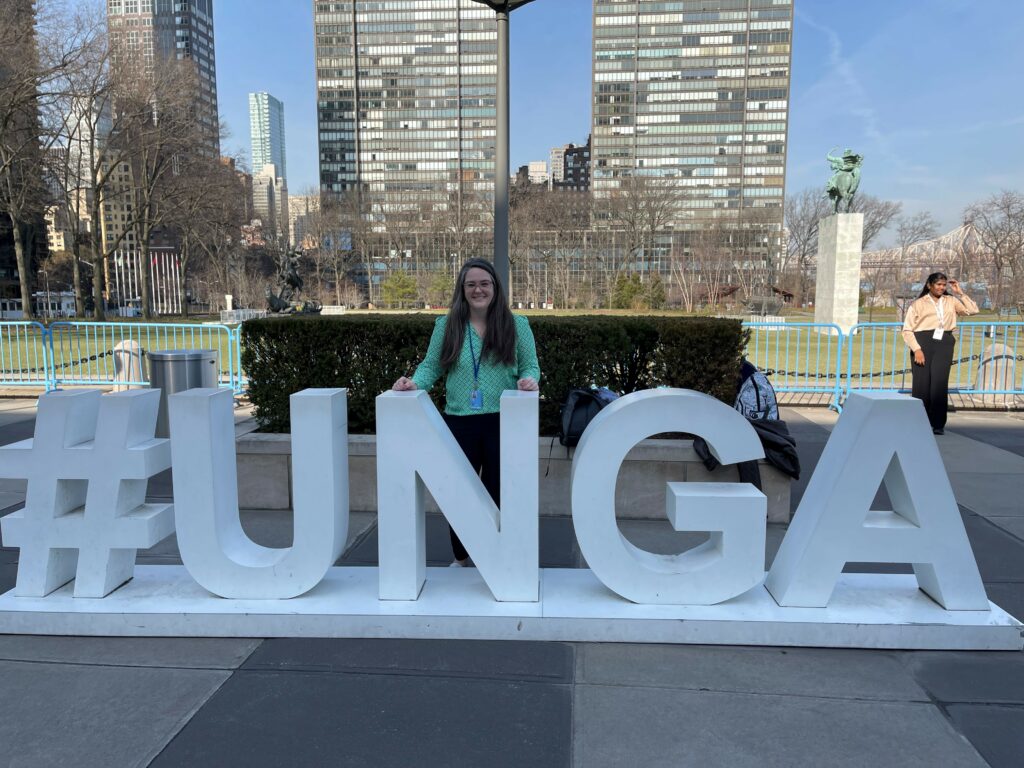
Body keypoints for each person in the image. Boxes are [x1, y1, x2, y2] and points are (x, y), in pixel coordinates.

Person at [393, 258, 540, 566]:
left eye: (484, 283)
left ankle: (498, 555)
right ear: (462, 290)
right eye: (471, 284)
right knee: (460, 496)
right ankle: (461, 558)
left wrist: (530, 380)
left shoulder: (517, 325)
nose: (478, 290)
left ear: (495, 288)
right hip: (459, 421)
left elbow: (530, 365)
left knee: (500, 491)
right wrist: (413, 382)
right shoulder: (447, 326)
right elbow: (432, 365)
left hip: (503, 420)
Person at [901, 272, 979, 435]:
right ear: (929, 285)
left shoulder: (951, 301)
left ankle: (937, 423)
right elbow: (907, 330)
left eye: (944, 285)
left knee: (939, 383)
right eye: (938, 284)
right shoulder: (918, 304)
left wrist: (960, 292)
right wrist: (917, 349)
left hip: (944, 342)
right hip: (922, 342)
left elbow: (973, 310)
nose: (942, 288)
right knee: (922, 384)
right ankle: (919, 421)